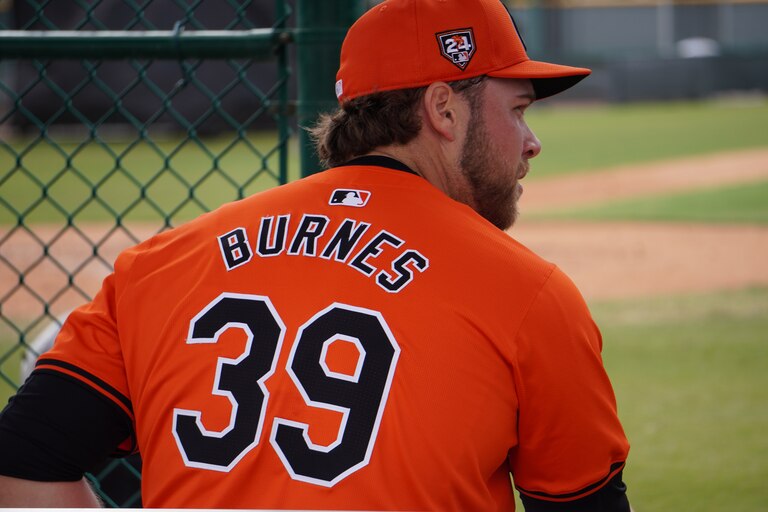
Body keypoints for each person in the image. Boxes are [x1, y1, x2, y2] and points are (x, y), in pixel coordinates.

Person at [0, 0, 631, 509]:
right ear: (444, 109)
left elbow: (21, 462)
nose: (532, 141)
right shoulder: (527, 294)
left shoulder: (162, 264)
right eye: (517, 109)